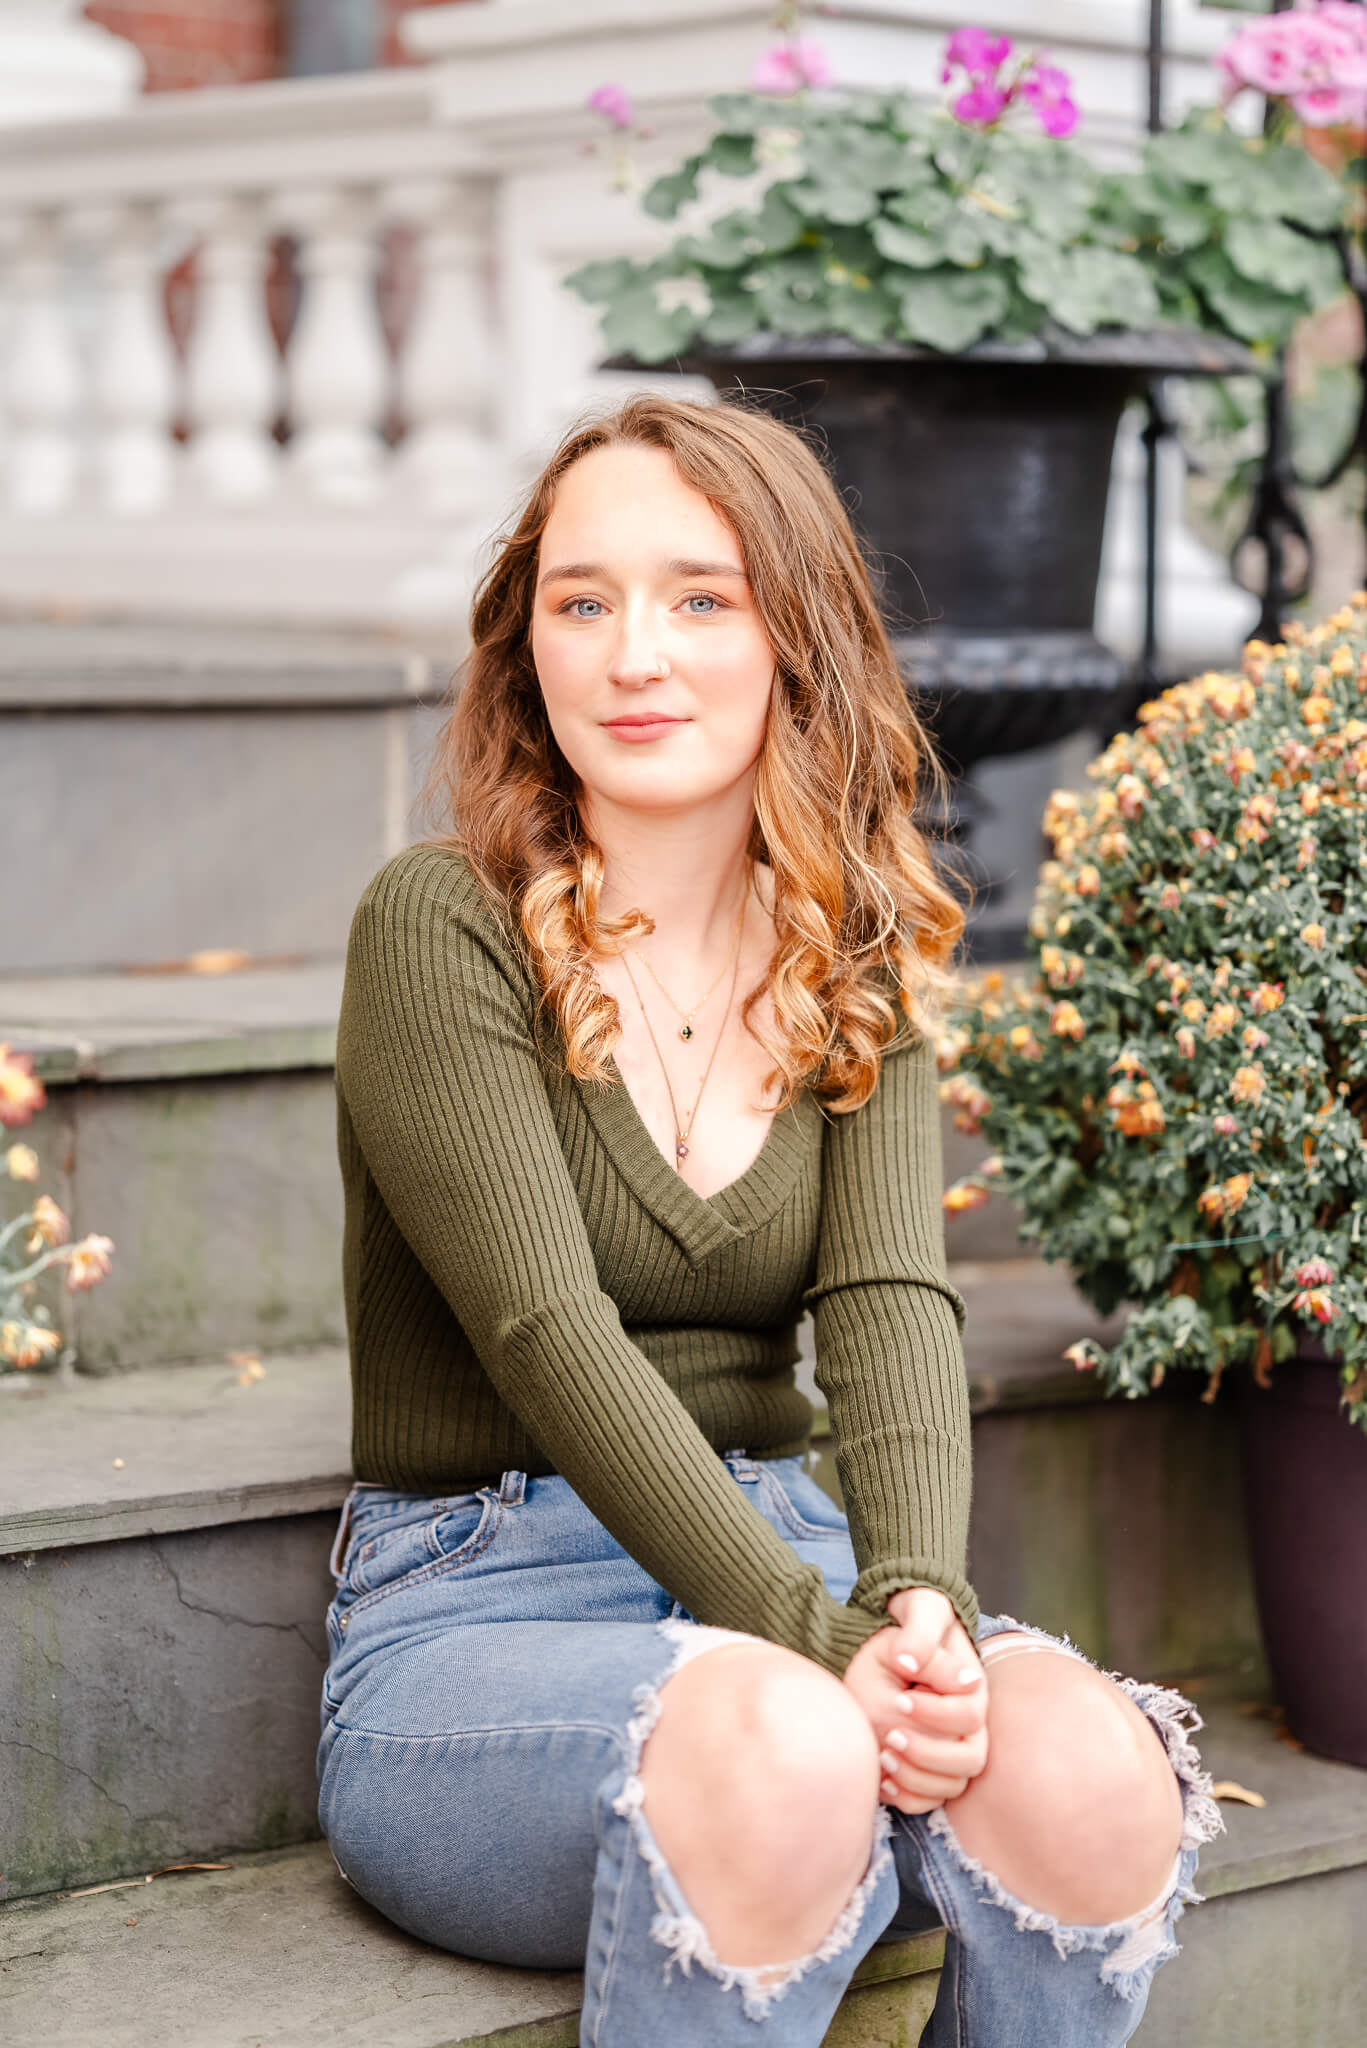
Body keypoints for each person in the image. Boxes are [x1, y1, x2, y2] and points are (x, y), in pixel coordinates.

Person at [316, 392, 1222, 2046]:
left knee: (1090, 1773)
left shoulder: (851, 950)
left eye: (700, 597)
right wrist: (819, 1647)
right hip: (486, 1596)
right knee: (792, 1746)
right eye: (580, 602)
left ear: (795, 636)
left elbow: (891, 1306)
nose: (631, 653)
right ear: (528, 649)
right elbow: (544, 1333)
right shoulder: (439, 925)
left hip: (783, 1553)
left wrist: (915, 1604)